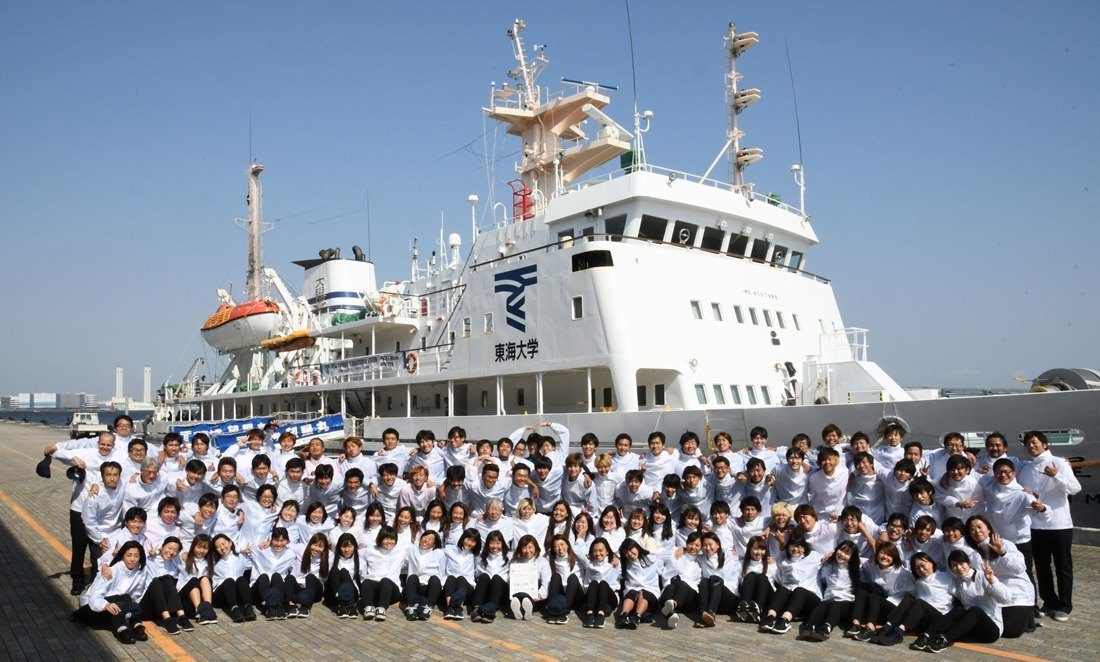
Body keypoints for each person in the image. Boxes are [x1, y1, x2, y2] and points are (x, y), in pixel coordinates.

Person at [1017, 430, 1080, 622]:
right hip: (1035, 525)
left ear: (1044, 444)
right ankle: (1049, 601)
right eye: (1028, 444)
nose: (1031, 446)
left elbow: (1075, 488)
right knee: (1042, 566)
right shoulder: (1026, 468)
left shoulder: (1059, 463)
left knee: (1063, 566)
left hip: (1059, 524)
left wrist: (1056, 475)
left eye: (1034, 442)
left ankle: (1065, 605)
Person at [920, 550, 1011, 653]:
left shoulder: (983, 576)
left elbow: (1006, 598)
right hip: (973, 628)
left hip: (991, 630)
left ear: (969, 564)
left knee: (975, 610)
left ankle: (945, 640)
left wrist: (992, 581)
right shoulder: (958, 581)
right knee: (959, 610)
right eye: (954, 565)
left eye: (961, 563)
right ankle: (928, 634)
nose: (959, 567)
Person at [73, 541, 149, 644]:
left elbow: (137, 594)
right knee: (121, 599)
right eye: (129, 555)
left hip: (117, 607)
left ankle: (137, 625)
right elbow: (94, 597)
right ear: (122, 556)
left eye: (136, 556)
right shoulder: (111, 570)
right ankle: (122, 630)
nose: (132, 559)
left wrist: (131, 608)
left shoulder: (140, 570)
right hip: (93, 609)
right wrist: (106, 605)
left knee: (126, 598)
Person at [759, 533, 821, 634]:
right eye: (792, 546)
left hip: (810, 599)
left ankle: (784, 620)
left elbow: (831, 558)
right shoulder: (783, 560)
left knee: (799, 590)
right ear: (788, 548)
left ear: (804, 548)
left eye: (799, 546)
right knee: (783, 589)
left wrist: (831, 554)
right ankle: (770, 617)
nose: (795, 549)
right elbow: (775, 575)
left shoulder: (814, 557)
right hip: (792, 600)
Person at [800, 540, 860, 641]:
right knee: (822, 604)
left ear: (852, 557)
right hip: (829, 599)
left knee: (836, 605)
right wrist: (831, 554)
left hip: (846, 603)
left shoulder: (855, 568)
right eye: (841, 550)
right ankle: (809, 626)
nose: (842, 554)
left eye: (847, 553)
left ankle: (826, 629)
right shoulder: (828, 565)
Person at [210, 533, 255, 622]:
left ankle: (248, 608)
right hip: (221, 595)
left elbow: (257, 562)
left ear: (230, 543)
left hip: (236, 593)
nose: (222, 548)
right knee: (229, 581)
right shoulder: (213, 561)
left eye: (223, 544)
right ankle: (234, 610)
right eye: (218, 547)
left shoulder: (240, 557)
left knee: (241, 579)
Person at [617, 538, 660, 628]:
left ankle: (637, 616)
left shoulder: (651, 559)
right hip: (632, 594)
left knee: (643, 592)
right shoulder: (625, 564)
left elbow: (662, 570)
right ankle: (624, 614)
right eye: (626, 552)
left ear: (636, 547)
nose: (629, 554)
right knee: (632, 592)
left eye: (630, 549)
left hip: (650, 594)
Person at [403, 530, 446, 620]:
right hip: (415, 586)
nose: (426, 540)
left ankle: (428, 607)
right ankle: (411, 607)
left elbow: (441, 572)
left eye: (430, 539)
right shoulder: (412, 550)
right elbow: (403, 564)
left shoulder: (438, 553)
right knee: (412, 577)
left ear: (434, 544)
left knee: (435, 578)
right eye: (425, 537)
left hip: (430, 588)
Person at [508, 535, 550, 620]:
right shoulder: (516, 562)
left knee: (533, 589)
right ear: (520, 549)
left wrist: (540, 594)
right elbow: (510, 581)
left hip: (536, 598)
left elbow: (546, 581)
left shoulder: (542, 561)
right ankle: (519, 610)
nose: (527, 551)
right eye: (524, 548)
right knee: (519, 596)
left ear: (535, 547)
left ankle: (526, 609)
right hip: (519, 593)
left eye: (530, 547)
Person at [544, 533, 583, 624]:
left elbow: (589, 561)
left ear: (568, 545)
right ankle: (552, 610)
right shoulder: (550, 558)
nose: (560, 548)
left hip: (575, 596)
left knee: (572, 577)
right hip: (562, 595)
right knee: (555, 576)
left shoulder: (577, 557)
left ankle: (564, 612)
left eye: (562, 544)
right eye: (556, 546)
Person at [581, 537, 618, 628]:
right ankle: (589, 613)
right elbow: (577, 551)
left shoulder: (614, 563)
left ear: (607, 551)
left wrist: (614, 556)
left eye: (601, 550)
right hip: (592, 596)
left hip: (610, 597)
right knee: (594, 583)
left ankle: (601, 614)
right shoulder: (589, 563)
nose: (598, 554)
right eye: (594, 551)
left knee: (603, 583)